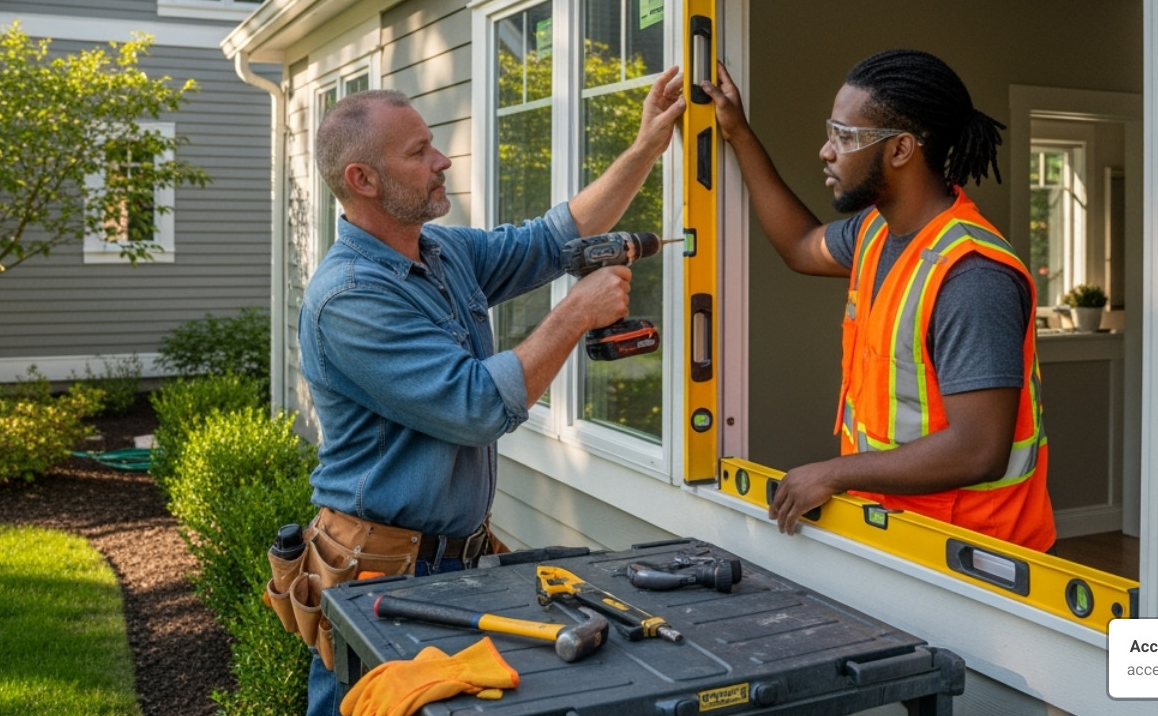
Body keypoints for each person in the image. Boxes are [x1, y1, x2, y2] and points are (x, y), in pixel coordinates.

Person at [298, 71, 686, 715]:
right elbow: (475, 406)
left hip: (452, 565)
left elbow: (551, 239)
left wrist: (646, 145)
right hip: (381, 576)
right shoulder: (350, 299)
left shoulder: (443, 253)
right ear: (363, 180)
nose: (442, 160)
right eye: (418, 152)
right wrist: (574, 315)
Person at [700, 48, 1054, 552]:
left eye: (844, 136)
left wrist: (834, 473)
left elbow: (980, 451)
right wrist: (737, 132)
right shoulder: (875, 233)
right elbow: (801, 246)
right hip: (900, 538)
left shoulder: (972, 276)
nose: (826, 150)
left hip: (980, 563)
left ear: (901, 149)